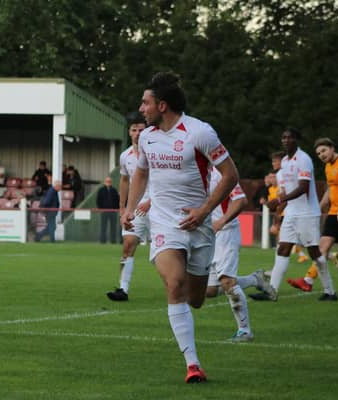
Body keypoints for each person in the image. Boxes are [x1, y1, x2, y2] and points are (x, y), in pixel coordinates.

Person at [122, 72, 238, 383]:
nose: (140, 108)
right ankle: (193, 364)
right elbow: (141, 174)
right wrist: (130, 208)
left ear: (162, 105)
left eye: (145, 103)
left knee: (196, 298)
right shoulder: (146, 137)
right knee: (174, 285)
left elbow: (230, 175)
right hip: (163, 222)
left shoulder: (200, 133)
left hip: (198, 226)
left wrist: (204, 211)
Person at [249, 128, 336, 301]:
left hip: (307, 214)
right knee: (283, 249)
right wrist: (279, 210)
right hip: (291, 213)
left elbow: (303, 188)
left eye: (290, 137)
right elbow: (287, 193)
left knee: (314, 252)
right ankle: (271, 291)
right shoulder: (286, 163)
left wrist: (280, 200)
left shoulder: (304, 160)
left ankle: (330, 291)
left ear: (296, 140)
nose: (286, 140)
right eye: (284, 137)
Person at [205, 167, 268, 342]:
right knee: (209, 291)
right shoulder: (194, 171)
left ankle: (245, 331)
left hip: (226, 232)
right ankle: (256, 279)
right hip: (207, 235)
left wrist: (221, 221)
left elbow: (240, 201)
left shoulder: (221, 174)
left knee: (227, 282)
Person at [287, 137, 338, 293]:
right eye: (318, 153)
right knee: (322, 247)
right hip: (334, 213)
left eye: (324, 151)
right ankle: (308, 280)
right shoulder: (328, 166)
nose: (321, 155)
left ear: (332, 148)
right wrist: (319, 206)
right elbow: (330, 189)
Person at [106, 113, 149, 301]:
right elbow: (124, 181)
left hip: (160, 208)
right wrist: (123, 208)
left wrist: (151, 201)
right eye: (134, 130)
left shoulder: (156, 153)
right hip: (136, 209)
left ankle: (182, 286)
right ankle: (123, 289)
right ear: (129, 132)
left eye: (142, 129)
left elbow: (166, 181)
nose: (138, 133)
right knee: (128, 245)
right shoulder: (125, 156)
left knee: (168, 252)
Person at [96, 177, 120, 244]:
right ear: (104, 182)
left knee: (113, 227)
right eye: (107, 181)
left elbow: (117, 200)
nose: (108, 182)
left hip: (113, 212)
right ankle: (102, 241)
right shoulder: (101, 190)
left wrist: (116, 209)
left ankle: (113, 241)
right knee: (103, 227)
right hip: (104, 211)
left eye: (109, 181)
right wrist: (100, 209)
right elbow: (98, 200)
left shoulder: (114, 190)